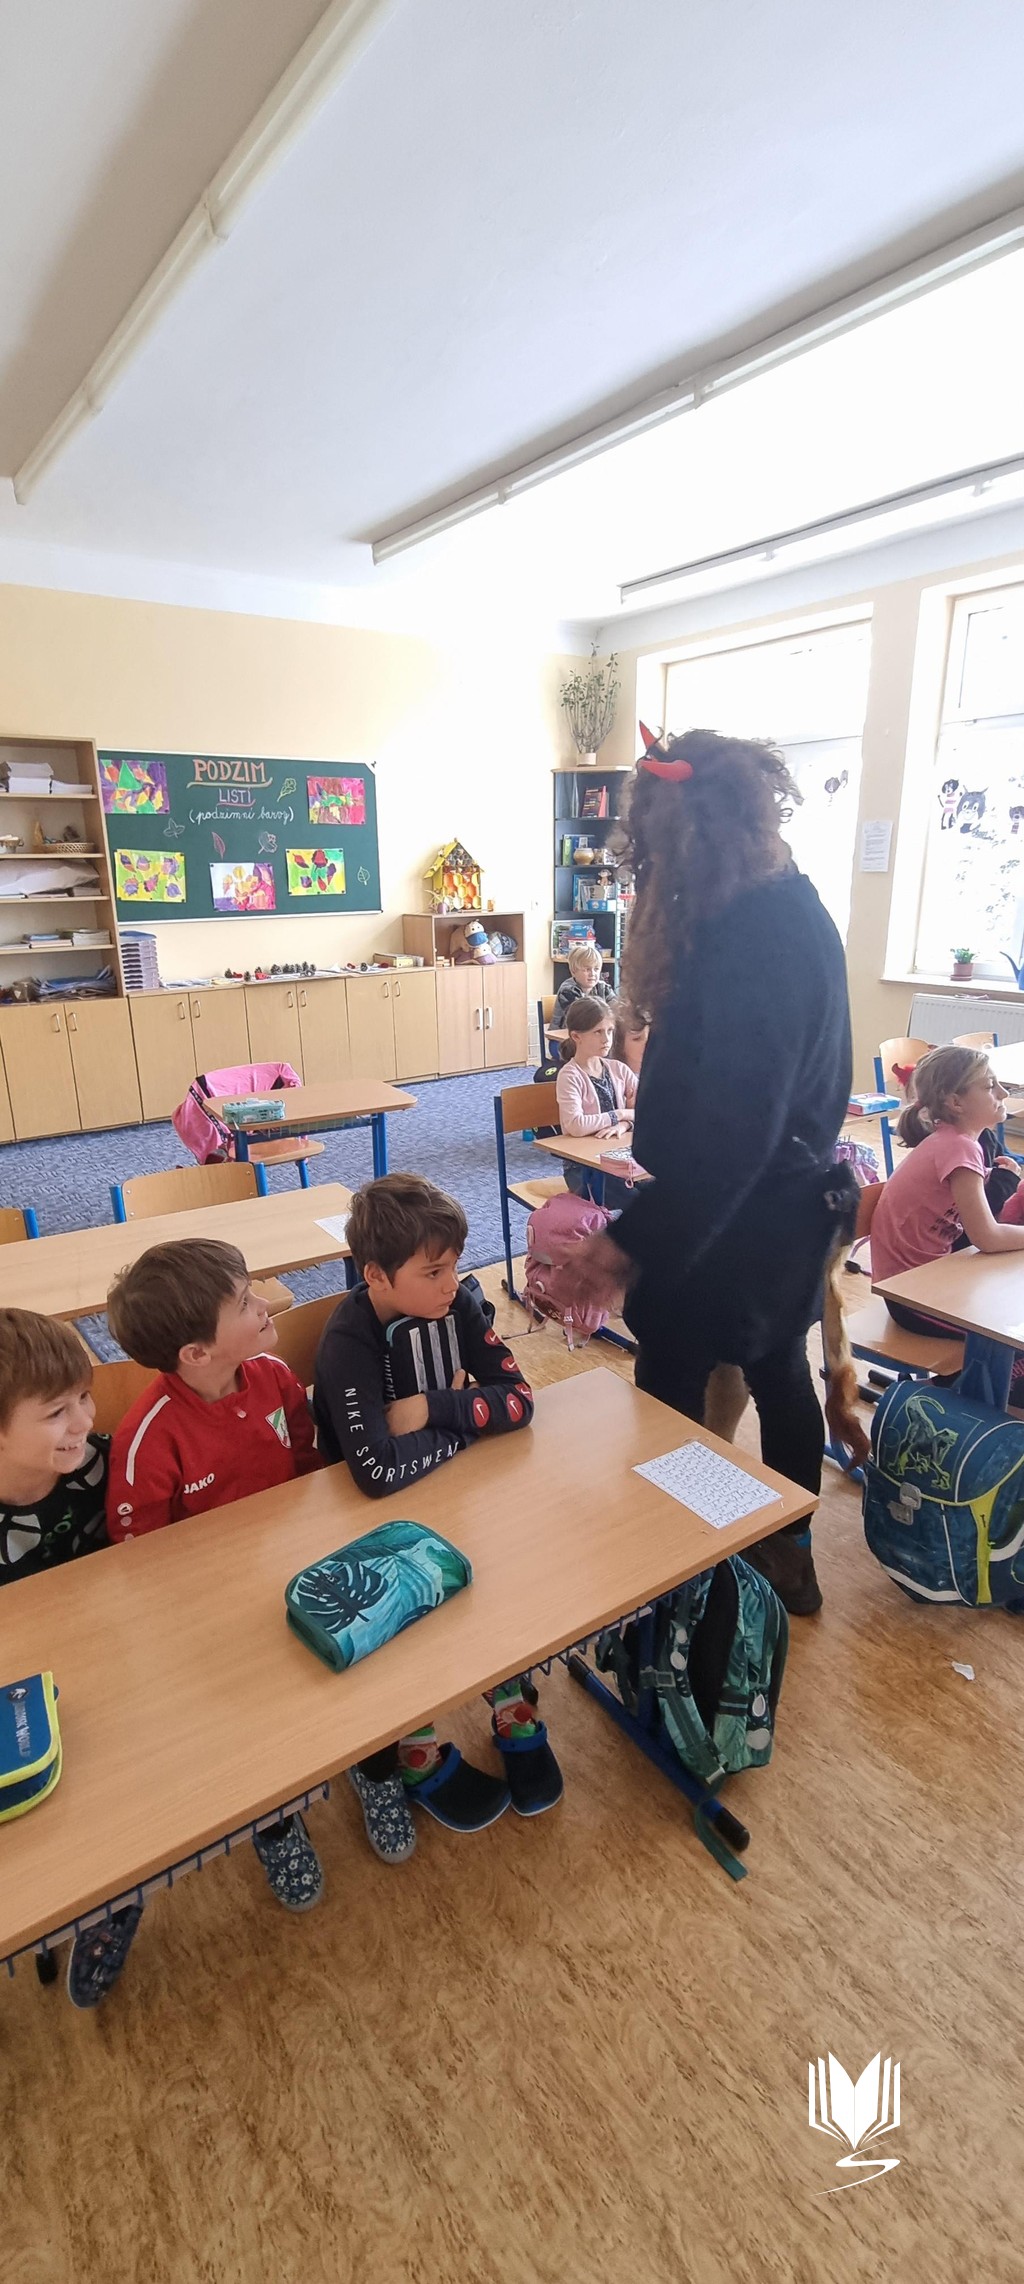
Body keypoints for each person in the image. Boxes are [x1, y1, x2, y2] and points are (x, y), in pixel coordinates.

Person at [559, 726, 859, 1617]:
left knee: (674, 1381)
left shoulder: (763, 938)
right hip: (772, 1205)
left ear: (697, 841)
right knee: (777, 1368)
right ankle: (779, 1555)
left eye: (659, 856)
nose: (654, 876)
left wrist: (630, 1241)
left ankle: (686, 1566)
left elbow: (737, 1132)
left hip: (740, 1214)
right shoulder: (779, 906)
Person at [314, 1173, 563, 1837]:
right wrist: (471, 1421)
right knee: (410, 1616)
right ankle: (415, 1743)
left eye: (454, 1265)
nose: (453, 1283)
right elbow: (374, 1473)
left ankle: (510, 1701)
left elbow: (521, 1401)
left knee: (496, 1577)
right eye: (433, 1271)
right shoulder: (347, 1342)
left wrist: (433, 1409)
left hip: (456, 1494)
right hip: (366, 1530)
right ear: (376, 1275)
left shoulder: (458, 1307)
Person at [106, 1239, 327, 1916]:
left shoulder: (275, 1377)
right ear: (197, 1354)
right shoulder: (149, 1438)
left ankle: (372, 1764)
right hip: (212, 1616)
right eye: (244, 1302)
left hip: (297, 1569)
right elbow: (140, 1564)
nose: (265, 1304)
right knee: (249, 1720)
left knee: (340, 1672)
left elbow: (308, 1468)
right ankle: (274, 1819)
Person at [0, 1309, 141, 2009]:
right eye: (56, 1411)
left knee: (125, 1784)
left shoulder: (101, 1462)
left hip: (109, 1657)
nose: (83, 1420)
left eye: (84, 1396)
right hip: (18, 1686)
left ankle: (113, 1896)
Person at [871, 1047, 1024, 1336]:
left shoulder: (958, 1143)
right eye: (990, 1086)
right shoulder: (959, 1147)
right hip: (912, 1295)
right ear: (955, 1102)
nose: (1003, 1093)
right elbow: (987, 1237)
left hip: (935, 1276)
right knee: (1011, 1331)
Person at [555, 994, 638, 1211]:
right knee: (640, 1203)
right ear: (576, 1036)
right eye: (598, 1032)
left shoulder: (618, 1069)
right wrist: (619, 1114)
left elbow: (650, 1111)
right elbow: (576, 1125)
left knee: (664, 1189)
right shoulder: (570, 1076)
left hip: (619, 1160)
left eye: (610, 1031)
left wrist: (624, 1124)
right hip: (583, 1169)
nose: (606, 1039)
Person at [552, 941, 615, 1027]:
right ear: (573, 971)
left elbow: (616, 1009)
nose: (592, 974)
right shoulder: (567, 991)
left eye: (596, 969)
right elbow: (582, 1018)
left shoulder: (603, 987)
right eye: (587, 969)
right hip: (565, 1033)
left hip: (594, 1031)